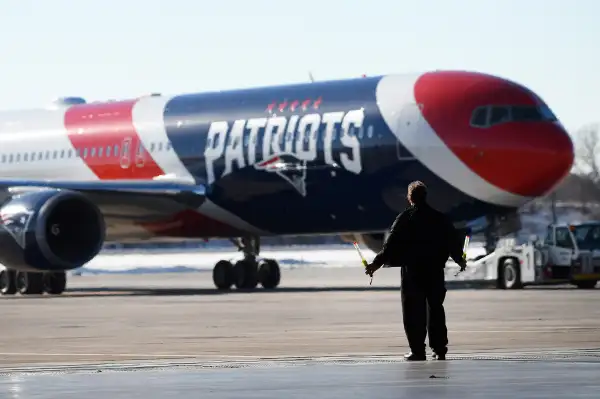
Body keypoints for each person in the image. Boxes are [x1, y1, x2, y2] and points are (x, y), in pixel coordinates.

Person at [365, 180, 467, 361]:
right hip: (435, 270)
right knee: (435, 308)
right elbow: (453, 243)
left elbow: (390, 246)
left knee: (413, 311)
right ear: (425, 196)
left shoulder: (405, 219)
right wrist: (460, 260)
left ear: (410, 198)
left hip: (412, 272)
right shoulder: (440, 218)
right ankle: (439, 349)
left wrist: (375, 265)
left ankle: (417, 350)